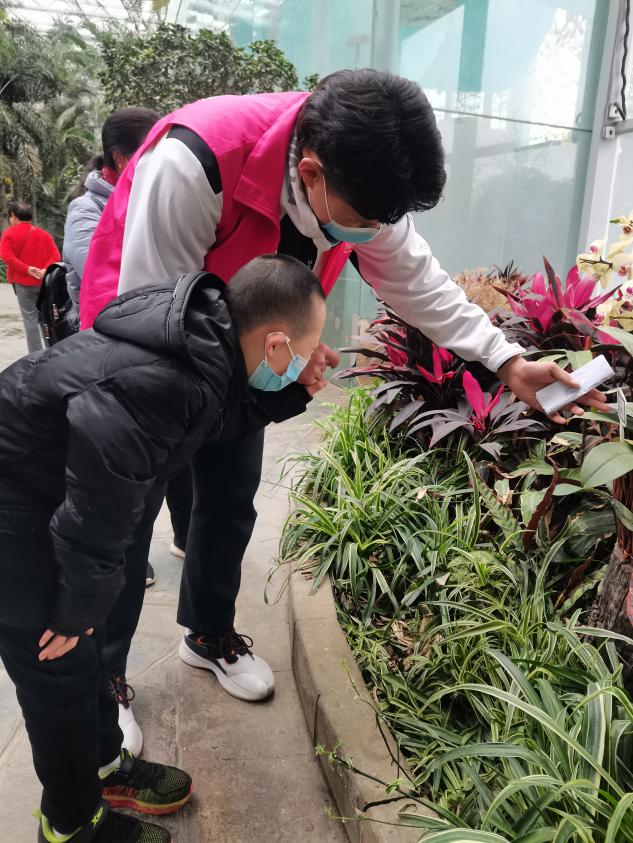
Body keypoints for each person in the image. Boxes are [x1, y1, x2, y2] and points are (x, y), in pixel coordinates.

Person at [79, 69, 608, 713]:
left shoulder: (359, 189)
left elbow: (418, 283)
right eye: (365, 222)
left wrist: (508, 362)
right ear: (310, 173)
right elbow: (153, 310)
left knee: (230, 497)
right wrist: (269, 360)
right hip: (142, 350)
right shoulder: (194, 163)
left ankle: (208, 632)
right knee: (127, 515)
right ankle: (102, 683)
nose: (373, 234)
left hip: (252, 351)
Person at [0, 254, 327, 843]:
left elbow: (213, 420)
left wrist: (288, 393)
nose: (309, 359)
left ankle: (104, 766)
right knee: (60, 675)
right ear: (276, 344)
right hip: (14, 514)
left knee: (86, 651)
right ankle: (72, 825)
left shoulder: (204, 345)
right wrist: (75, 608)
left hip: (40, 496)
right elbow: (99, 505)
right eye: (306, 351)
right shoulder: (162, 379)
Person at [62, 107, 194, 755]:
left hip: (172, 386)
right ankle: (107, 678)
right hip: (111, 389)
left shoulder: (168, 200)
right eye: (149, 155)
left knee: (181, 490)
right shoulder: (87, 212)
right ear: (119, 160)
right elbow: (107, 281)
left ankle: (191, 589)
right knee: (119, 530)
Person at [0, 200, 60, 353]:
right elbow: (55, 255)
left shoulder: (9, 234)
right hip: (43, 283)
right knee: (44, 318)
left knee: (30, 319)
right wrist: (44, 270)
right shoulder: (44, 234)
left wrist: (27, 269)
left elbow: (7, 257)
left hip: (23, 284)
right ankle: (50, 351)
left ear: (13, 216)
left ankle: (35, 355)